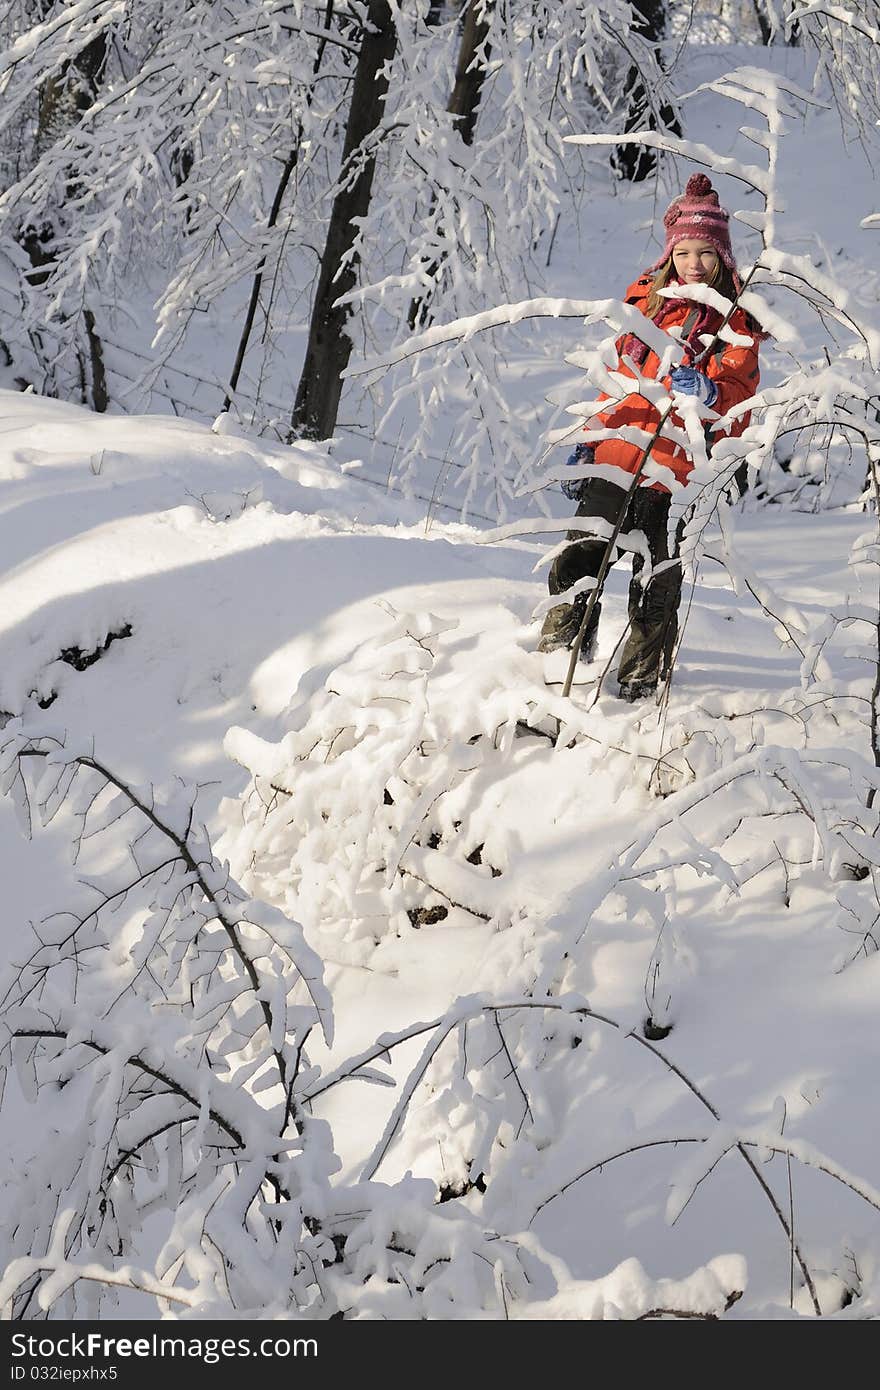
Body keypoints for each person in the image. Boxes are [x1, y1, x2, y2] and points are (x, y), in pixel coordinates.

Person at [538, 172, 761, 701]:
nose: (694, 264)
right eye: (684, 252)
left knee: (655, 587)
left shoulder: (736, 324)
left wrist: (709, 393)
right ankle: (555, 666)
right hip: (616, 460)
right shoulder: (643, 308)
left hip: (677, 476)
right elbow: (612, 380)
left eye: (706, 253)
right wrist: (590, 439)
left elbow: (741, 397)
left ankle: (639, 688)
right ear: (670, 255)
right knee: (576, 562)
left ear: (723, 260)